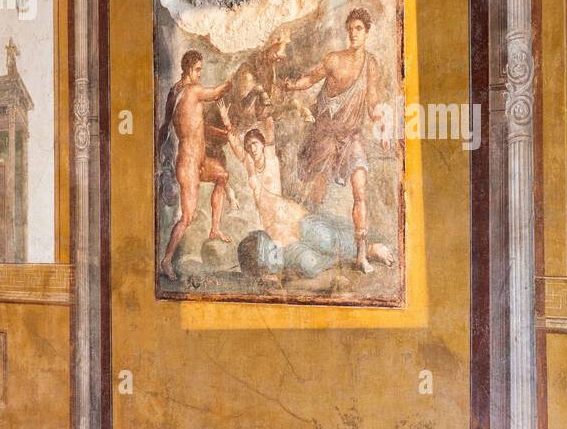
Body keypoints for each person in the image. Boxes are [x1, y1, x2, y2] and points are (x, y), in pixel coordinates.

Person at [224, 114, 393, 286]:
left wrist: (267, 110)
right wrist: (227, 122)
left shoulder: (271, 159)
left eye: (255, 143)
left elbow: (269, 127)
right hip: (278, 231)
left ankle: (370, 250)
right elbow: (235, 145)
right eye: (248, 145)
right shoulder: (249, 165)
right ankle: (335, 262)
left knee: (327, 240)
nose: (252, 148)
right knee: (310, 265)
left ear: (262, 144)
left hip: (295, 218)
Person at [280, 7, 388, 273]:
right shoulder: (334, 59)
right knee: (314, 190)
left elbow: (373, 102)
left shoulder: (370, 64)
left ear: (367, 32)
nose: (353, 33)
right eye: (350, 29)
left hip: (351, 137)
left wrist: (383, 126)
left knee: (359, 191)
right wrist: (291, 85)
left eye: (358, 29)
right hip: (325, 134)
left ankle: (361, 255)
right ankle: (305, 237)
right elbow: (310, 78)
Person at [156, 49, 231, 280]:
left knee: (223, 176)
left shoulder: (174, 93)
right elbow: (217, 92)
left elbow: (172, 125)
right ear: (189, 69)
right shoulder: (193, 91)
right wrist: (231, 82)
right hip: (188, 164)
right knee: (187, 217)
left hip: (198, 160)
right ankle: (166, 260)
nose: (200, 73)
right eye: (198, 69)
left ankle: (215, 228)